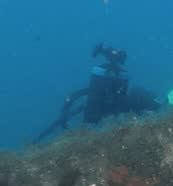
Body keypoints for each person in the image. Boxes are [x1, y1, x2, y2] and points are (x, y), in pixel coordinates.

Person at [32, 43, 161, 144]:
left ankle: (38, 140)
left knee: (137, 97)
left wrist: (64, 114)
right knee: (138, 96)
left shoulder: (97, 85)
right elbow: (128, 99)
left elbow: (74, 96)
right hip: (113, 109)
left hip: (99, 111)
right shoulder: (120, 79)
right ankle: (158, 105)